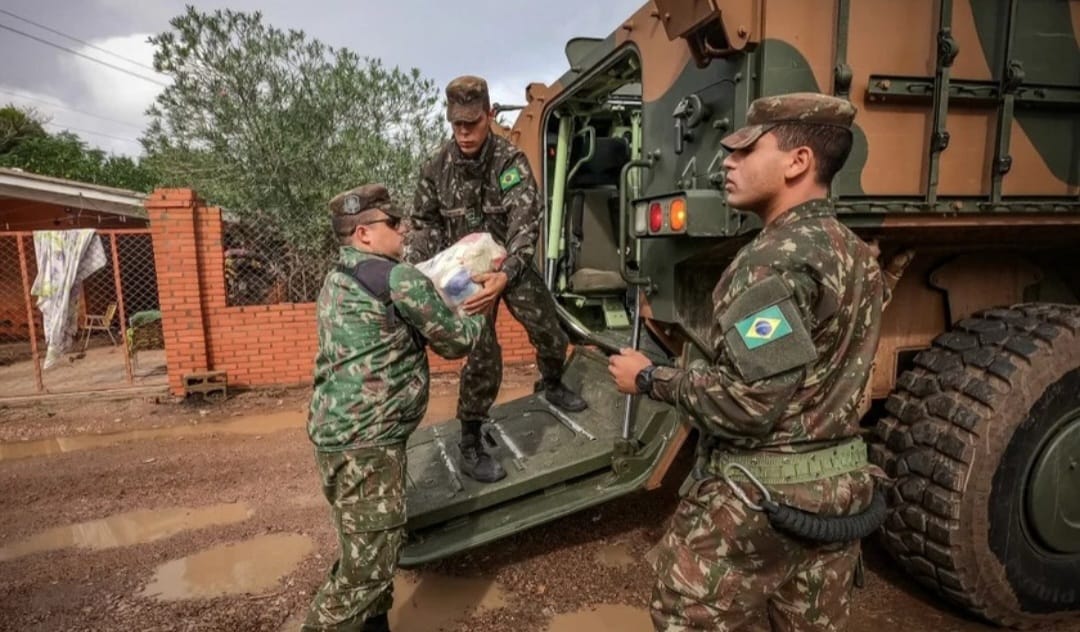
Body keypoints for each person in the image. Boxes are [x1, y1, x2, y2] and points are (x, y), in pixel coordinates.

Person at [608, 92, 887, 631]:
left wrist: (648, 377)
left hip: (759, 508)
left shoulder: (770, 262)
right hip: (836, 499)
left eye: (744, 151)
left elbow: (748, 405)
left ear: (798, 161)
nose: (726, 163)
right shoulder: (852, 250)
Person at [302, 184, 484, 632]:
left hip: (337, 440)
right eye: (392, 222)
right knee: (365, 575)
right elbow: (457, 341)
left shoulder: (337, 278)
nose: (402, 229)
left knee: (367, 550)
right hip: (369, 445)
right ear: (364, 233)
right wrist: (481, 304)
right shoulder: (395, 278)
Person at [403, 75, 587, 484]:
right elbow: (423, 226)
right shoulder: (435, 168)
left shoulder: (509, 161)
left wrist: (505, 274)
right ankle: (469, 438)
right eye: (457, 124)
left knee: (549, 329)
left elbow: (526, 224)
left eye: (473, 122)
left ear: (489, 115)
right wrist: (415, 270)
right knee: (483, 355)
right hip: (464, 278)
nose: (465, 132)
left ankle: (553, 381)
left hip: (509, 266)